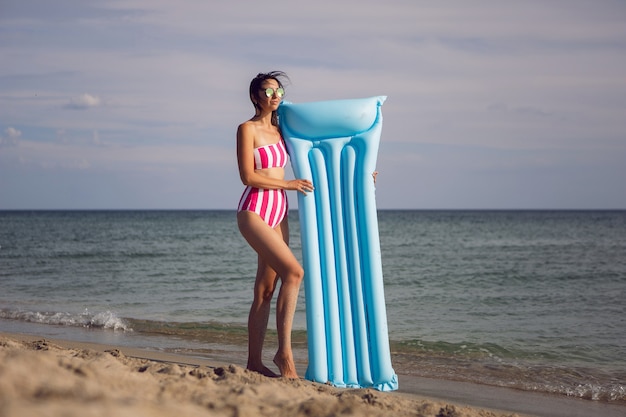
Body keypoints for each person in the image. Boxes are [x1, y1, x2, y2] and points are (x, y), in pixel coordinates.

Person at [236, 71, 314, 379]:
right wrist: (290, 185)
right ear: (256, 97)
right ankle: (284, 354)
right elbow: (248, 176)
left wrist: (363, 172)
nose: (275, 95)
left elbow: (318, 152)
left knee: (266, 289)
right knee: (294, 272)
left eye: (278, 90)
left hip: (279, 212)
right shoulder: (247, 129)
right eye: (267, 91)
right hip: (254, 210)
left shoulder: (284, 131)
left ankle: (254, 362)